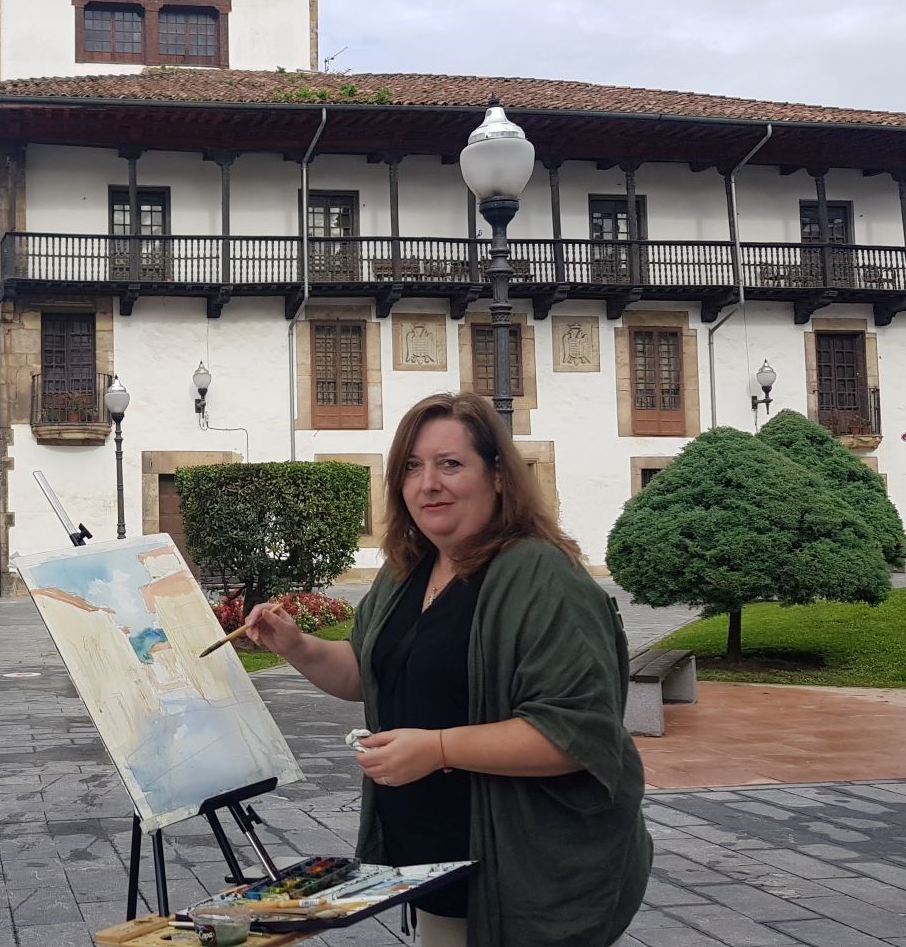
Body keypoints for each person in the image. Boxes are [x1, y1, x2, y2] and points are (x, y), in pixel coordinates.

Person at [244, 392, 650, 947]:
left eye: (450, 464)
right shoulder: (407, 571)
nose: (427, 483)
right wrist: (297, 646)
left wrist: (436, 750)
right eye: (412, 466)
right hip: (434, 867)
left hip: (525, 875)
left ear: (499, 476)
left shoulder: (543, 579)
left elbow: (577, 735)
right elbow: (366, 673)